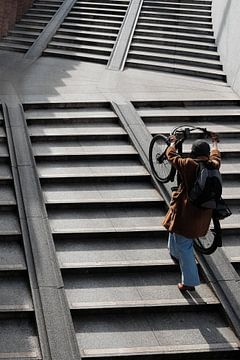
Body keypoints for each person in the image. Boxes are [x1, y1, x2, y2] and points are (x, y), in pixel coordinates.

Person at [162, 133, 221, 291]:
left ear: (193, 152)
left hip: (186, 215)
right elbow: (217, 155)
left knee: (185, 246)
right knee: (174, 231)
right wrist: (214, 142)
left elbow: (171, 156)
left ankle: (189, 282)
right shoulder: (213, 164)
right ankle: (174, 253)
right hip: (202, 216)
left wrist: (173, 142)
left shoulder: (189, 164)